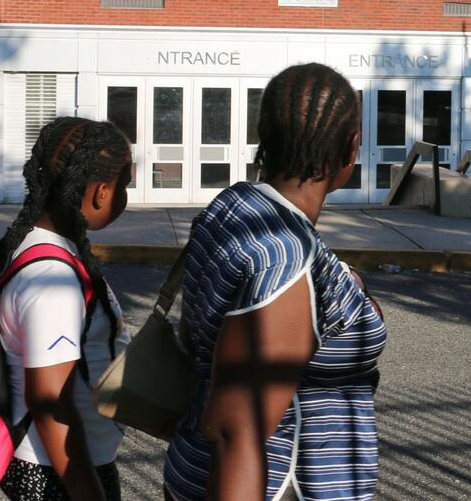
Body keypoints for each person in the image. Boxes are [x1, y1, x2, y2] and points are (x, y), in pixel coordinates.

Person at [165, 63, 388, 501]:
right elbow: (238, 434)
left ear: (264, 134)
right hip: (283, 485)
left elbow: (201, 334)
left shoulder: (233, 208)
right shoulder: (286, 263)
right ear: (352, 147)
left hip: (190, 467)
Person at [0, 117, 133, 501]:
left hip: (64, 463)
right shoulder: (53, 280)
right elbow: (51, 404)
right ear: (100, 193)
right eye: (124, 185)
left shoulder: (40, 243)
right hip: (60, 474)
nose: (125, 194)